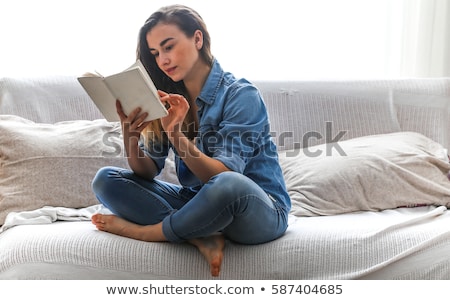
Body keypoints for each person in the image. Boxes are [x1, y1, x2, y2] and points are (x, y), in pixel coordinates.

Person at [91, 4, 291, 277]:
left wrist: (177, 136)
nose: (162, 60)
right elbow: (148, 171)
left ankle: (151, 232)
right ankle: (198, 234)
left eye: (169, 47)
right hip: (200, 202)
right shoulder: (167, 98)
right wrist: (130, 136)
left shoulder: (241, 94)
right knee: (106, 180)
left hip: (259, 209)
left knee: (227, 184)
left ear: (198, 39)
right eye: (155, 53)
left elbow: (225, 176)